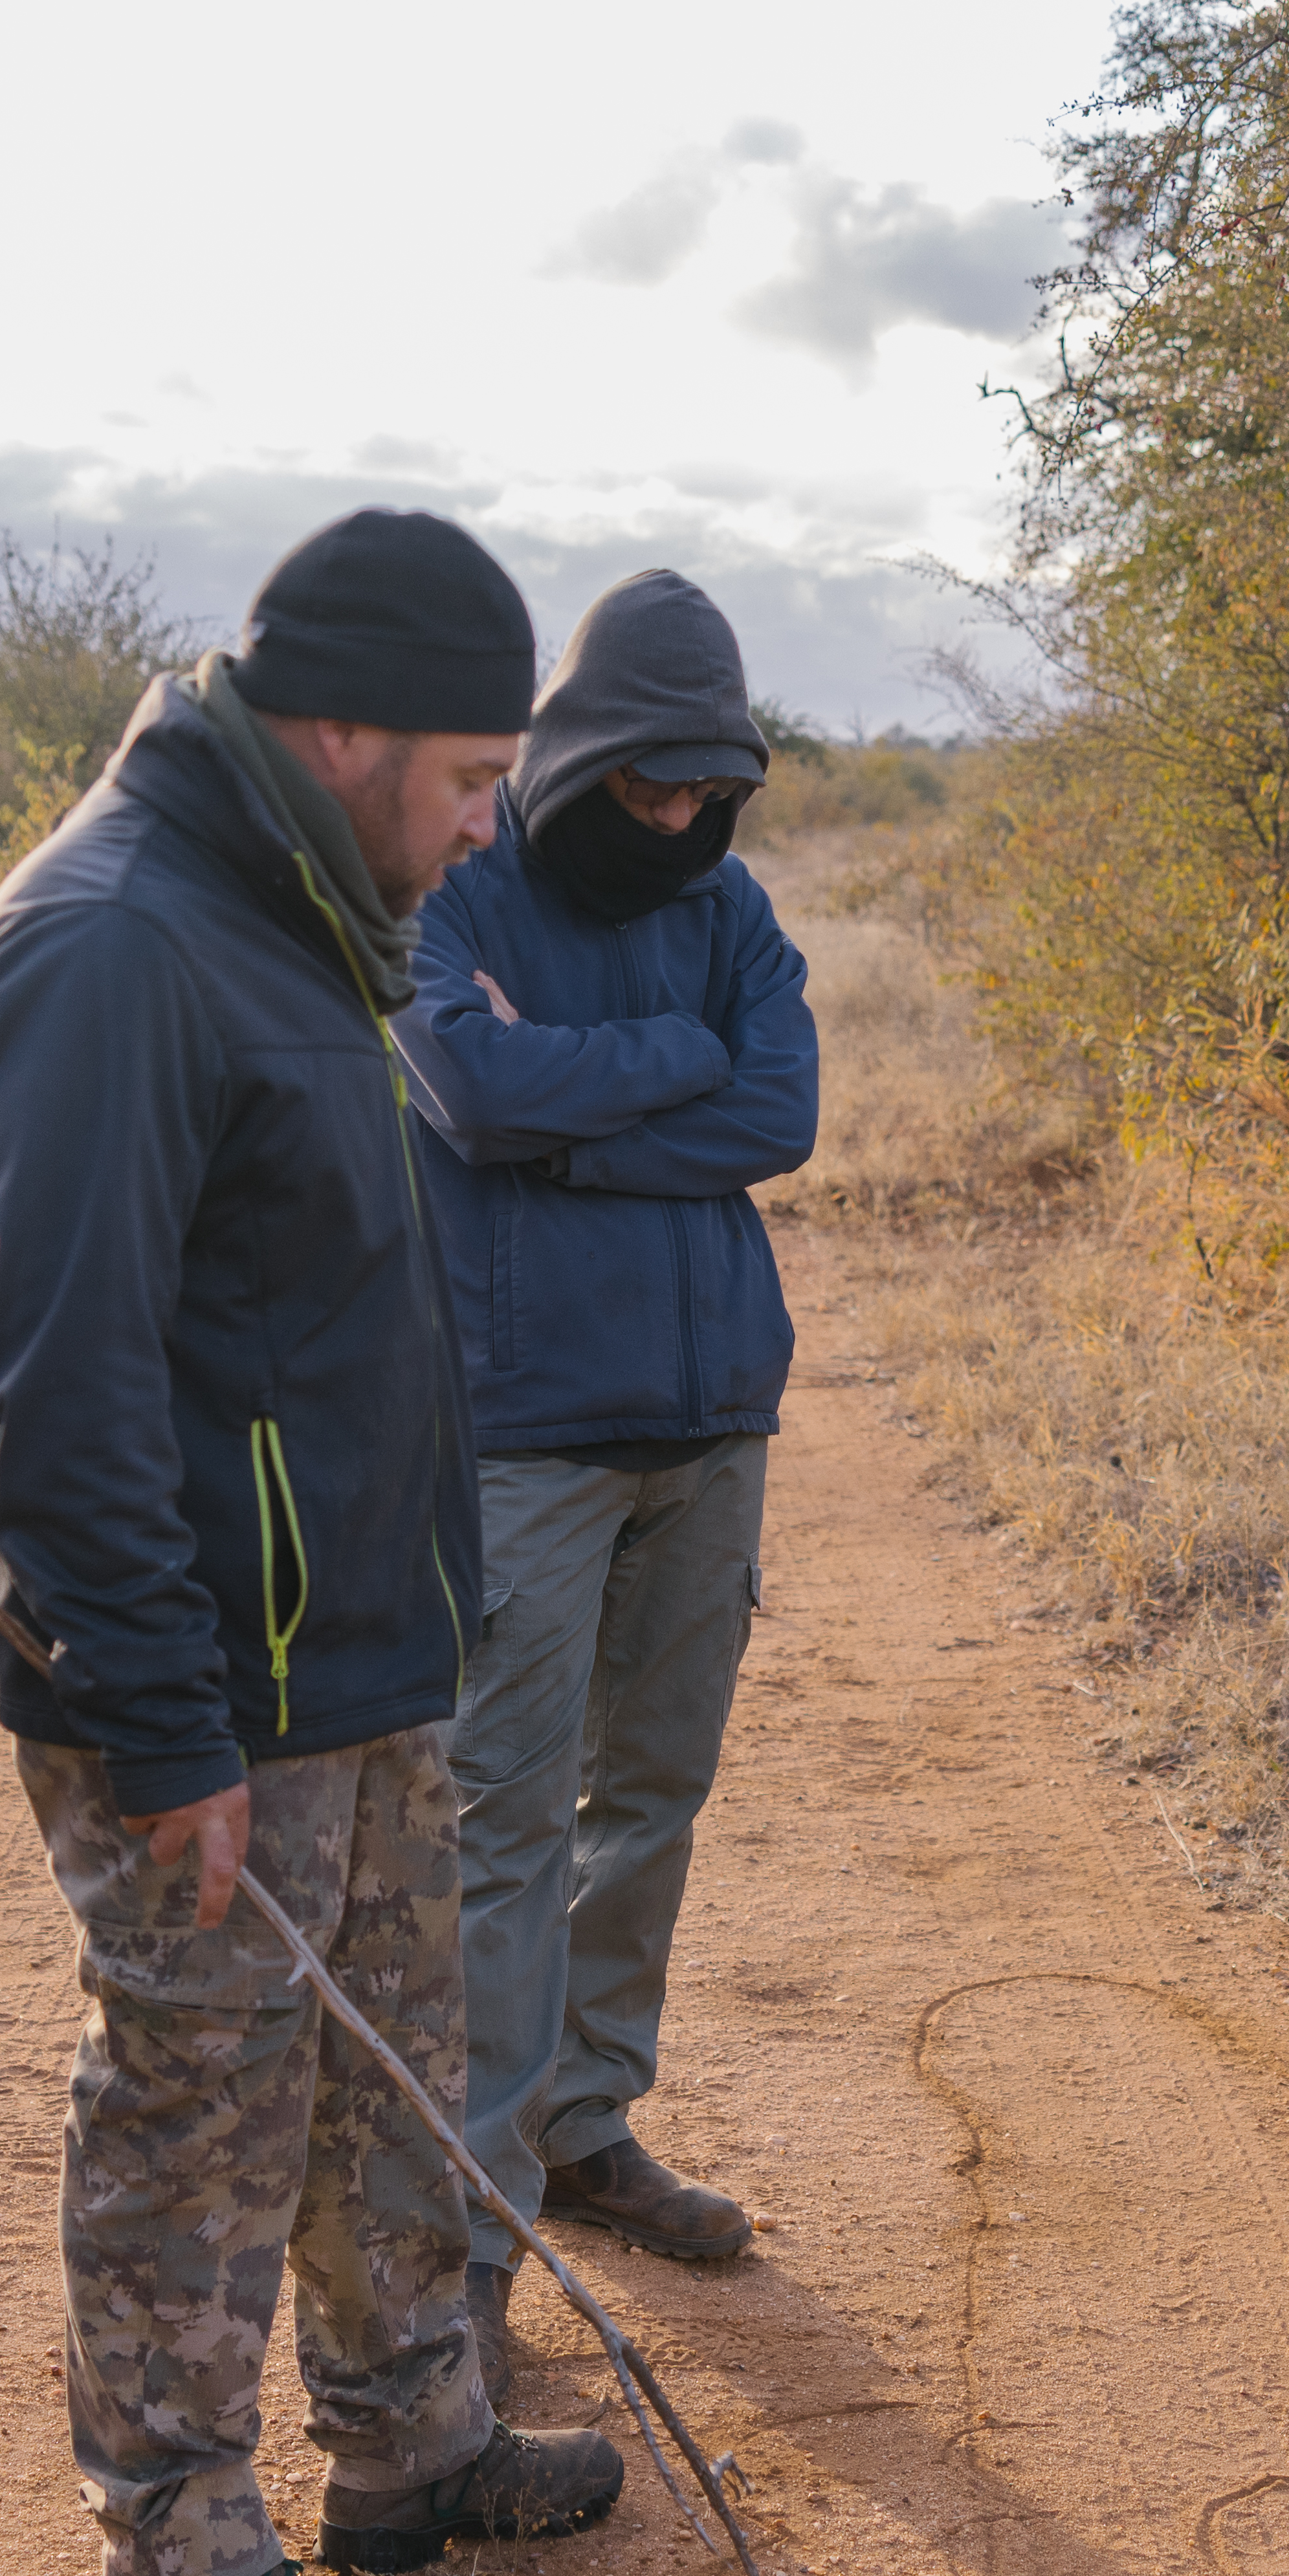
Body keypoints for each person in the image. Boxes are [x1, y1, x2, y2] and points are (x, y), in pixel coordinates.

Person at [0, 508, 628, 2576]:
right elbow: (68, 1379)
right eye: (455, 778)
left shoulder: (305, 904)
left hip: (355, 1657)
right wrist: (163, 1724)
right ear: (335, 729)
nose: (483, 823)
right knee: (197, 2099)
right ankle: (179, 2556)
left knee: (382, 2065)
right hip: (201, 1693)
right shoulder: (114, 947)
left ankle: (410, 2440)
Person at [395, 573, 819, 2404]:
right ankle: (470, 2226)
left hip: (712, 1419)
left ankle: (586, 2124)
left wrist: (572, 1124)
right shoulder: (457, 894)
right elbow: (464, 1096)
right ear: (580, 759)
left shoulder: (734, 907)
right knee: (501, 1819)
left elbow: (779, 1114)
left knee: (648, 1795)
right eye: (646, 784)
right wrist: (667, 1071)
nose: (673, 821)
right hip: (524, 1438)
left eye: (701, 789)